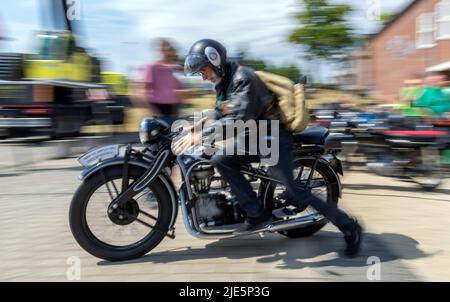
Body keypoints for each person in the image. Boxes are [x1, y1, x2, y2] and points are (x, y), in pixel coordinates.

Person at [175, 39, 362, 257]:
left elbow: (237, 119)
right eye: (200, 73)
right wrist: (194, 127)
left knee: (295, 192)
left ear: (215, 61)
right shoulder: (223, 83)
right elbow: (220, 114)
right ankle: (256, 213)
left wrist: (201, 136)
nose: (203, 76)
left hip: (274, 136)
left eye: (204, 70)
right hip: (255, 136)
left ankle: (350, 227)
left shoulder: (243, 78)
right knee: (221, 159)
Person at [144, 38, 183, 119]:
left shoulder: (176, 68)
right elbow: (145, 91)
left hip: (174, 108)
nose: (170, 52)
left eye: (172, 50)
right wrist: (154, 111)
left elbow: (179, 88)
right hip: (158, 108)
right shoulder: (153, 67)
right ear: (162, 51)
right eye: (167, 50)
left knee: (174, 130)